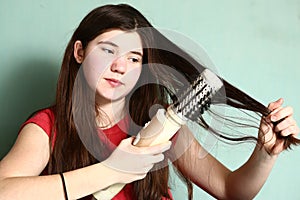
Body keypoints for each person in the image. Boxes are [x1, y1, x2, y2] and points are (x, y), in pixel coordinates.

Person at [0, 4, 299, 200]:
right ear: (79, 52)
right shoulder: (47, 129)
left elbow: (232, 191)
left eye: (134, 58)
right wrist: (111, 170)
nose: (121, 66)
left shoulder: (162, 128)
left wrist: (265, 153)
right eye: (108, 51)